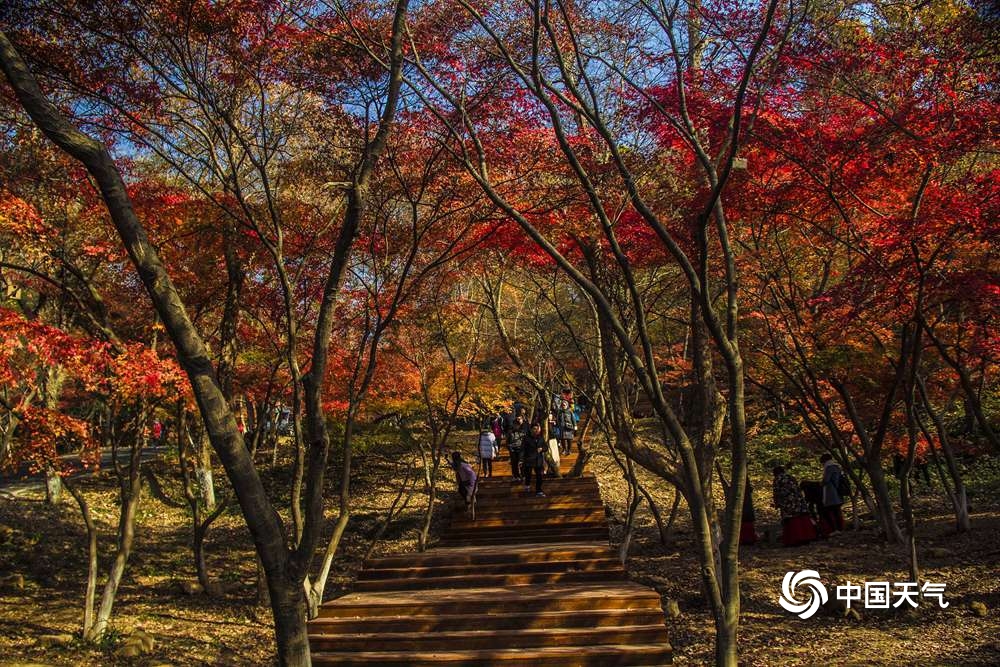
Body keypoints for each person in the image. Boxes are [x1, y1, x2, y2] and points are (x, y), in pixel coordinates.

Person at [772, 465, 816, 546]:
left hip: (787, 503)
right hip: (798, 501)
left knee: (791, 520)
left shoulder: (777, 479)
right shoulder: (791, 477)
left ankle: (794, 539)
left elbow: (776, 493)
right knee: (802, 518)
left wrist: (777, 503)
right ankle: (807, 537)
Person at [820, 453, 845, 533]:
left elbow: (826, 480)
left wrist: (821, 483)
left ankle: (835, 529)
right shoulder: (837, 466)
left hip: (831, 493)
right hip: (837, 492)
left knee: (829, 511)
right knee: (837, 511)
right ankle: (840, 528)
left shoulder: (829, 467)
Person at [522, 422, 546, 497]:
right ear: (531, 429)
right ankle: (527, 485)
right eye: (534, 429)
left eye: (537, 429)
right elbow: (522, 449)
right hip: (529, 459)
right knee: (528, 475)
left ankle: (539, 490)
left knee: (539, 476)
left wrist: (542, 449)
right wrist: (520, 459)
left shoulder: (541, 438)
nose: (536, 430)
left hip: (538, 460)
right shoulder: (526, 438)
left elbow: (546, 447)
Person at [507, 414, 526, 482]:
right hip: (513, 450)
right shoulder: (510, 432)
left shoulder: (522, 432)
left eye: (517, 425)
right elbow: (507, 441)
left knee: (521, 463)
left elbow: (524, 441)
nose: (516, 426)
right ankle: (515, 476)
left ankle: (523, 475)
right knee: (514, 464)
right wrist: (510, 448)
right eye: (515, 425)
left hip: (520, 449)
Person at [740, 474, 757, 545]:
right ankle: (748, 539)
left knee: (746, 524)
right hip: (747, 510)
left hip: (744, 510)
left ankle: (747, 539)